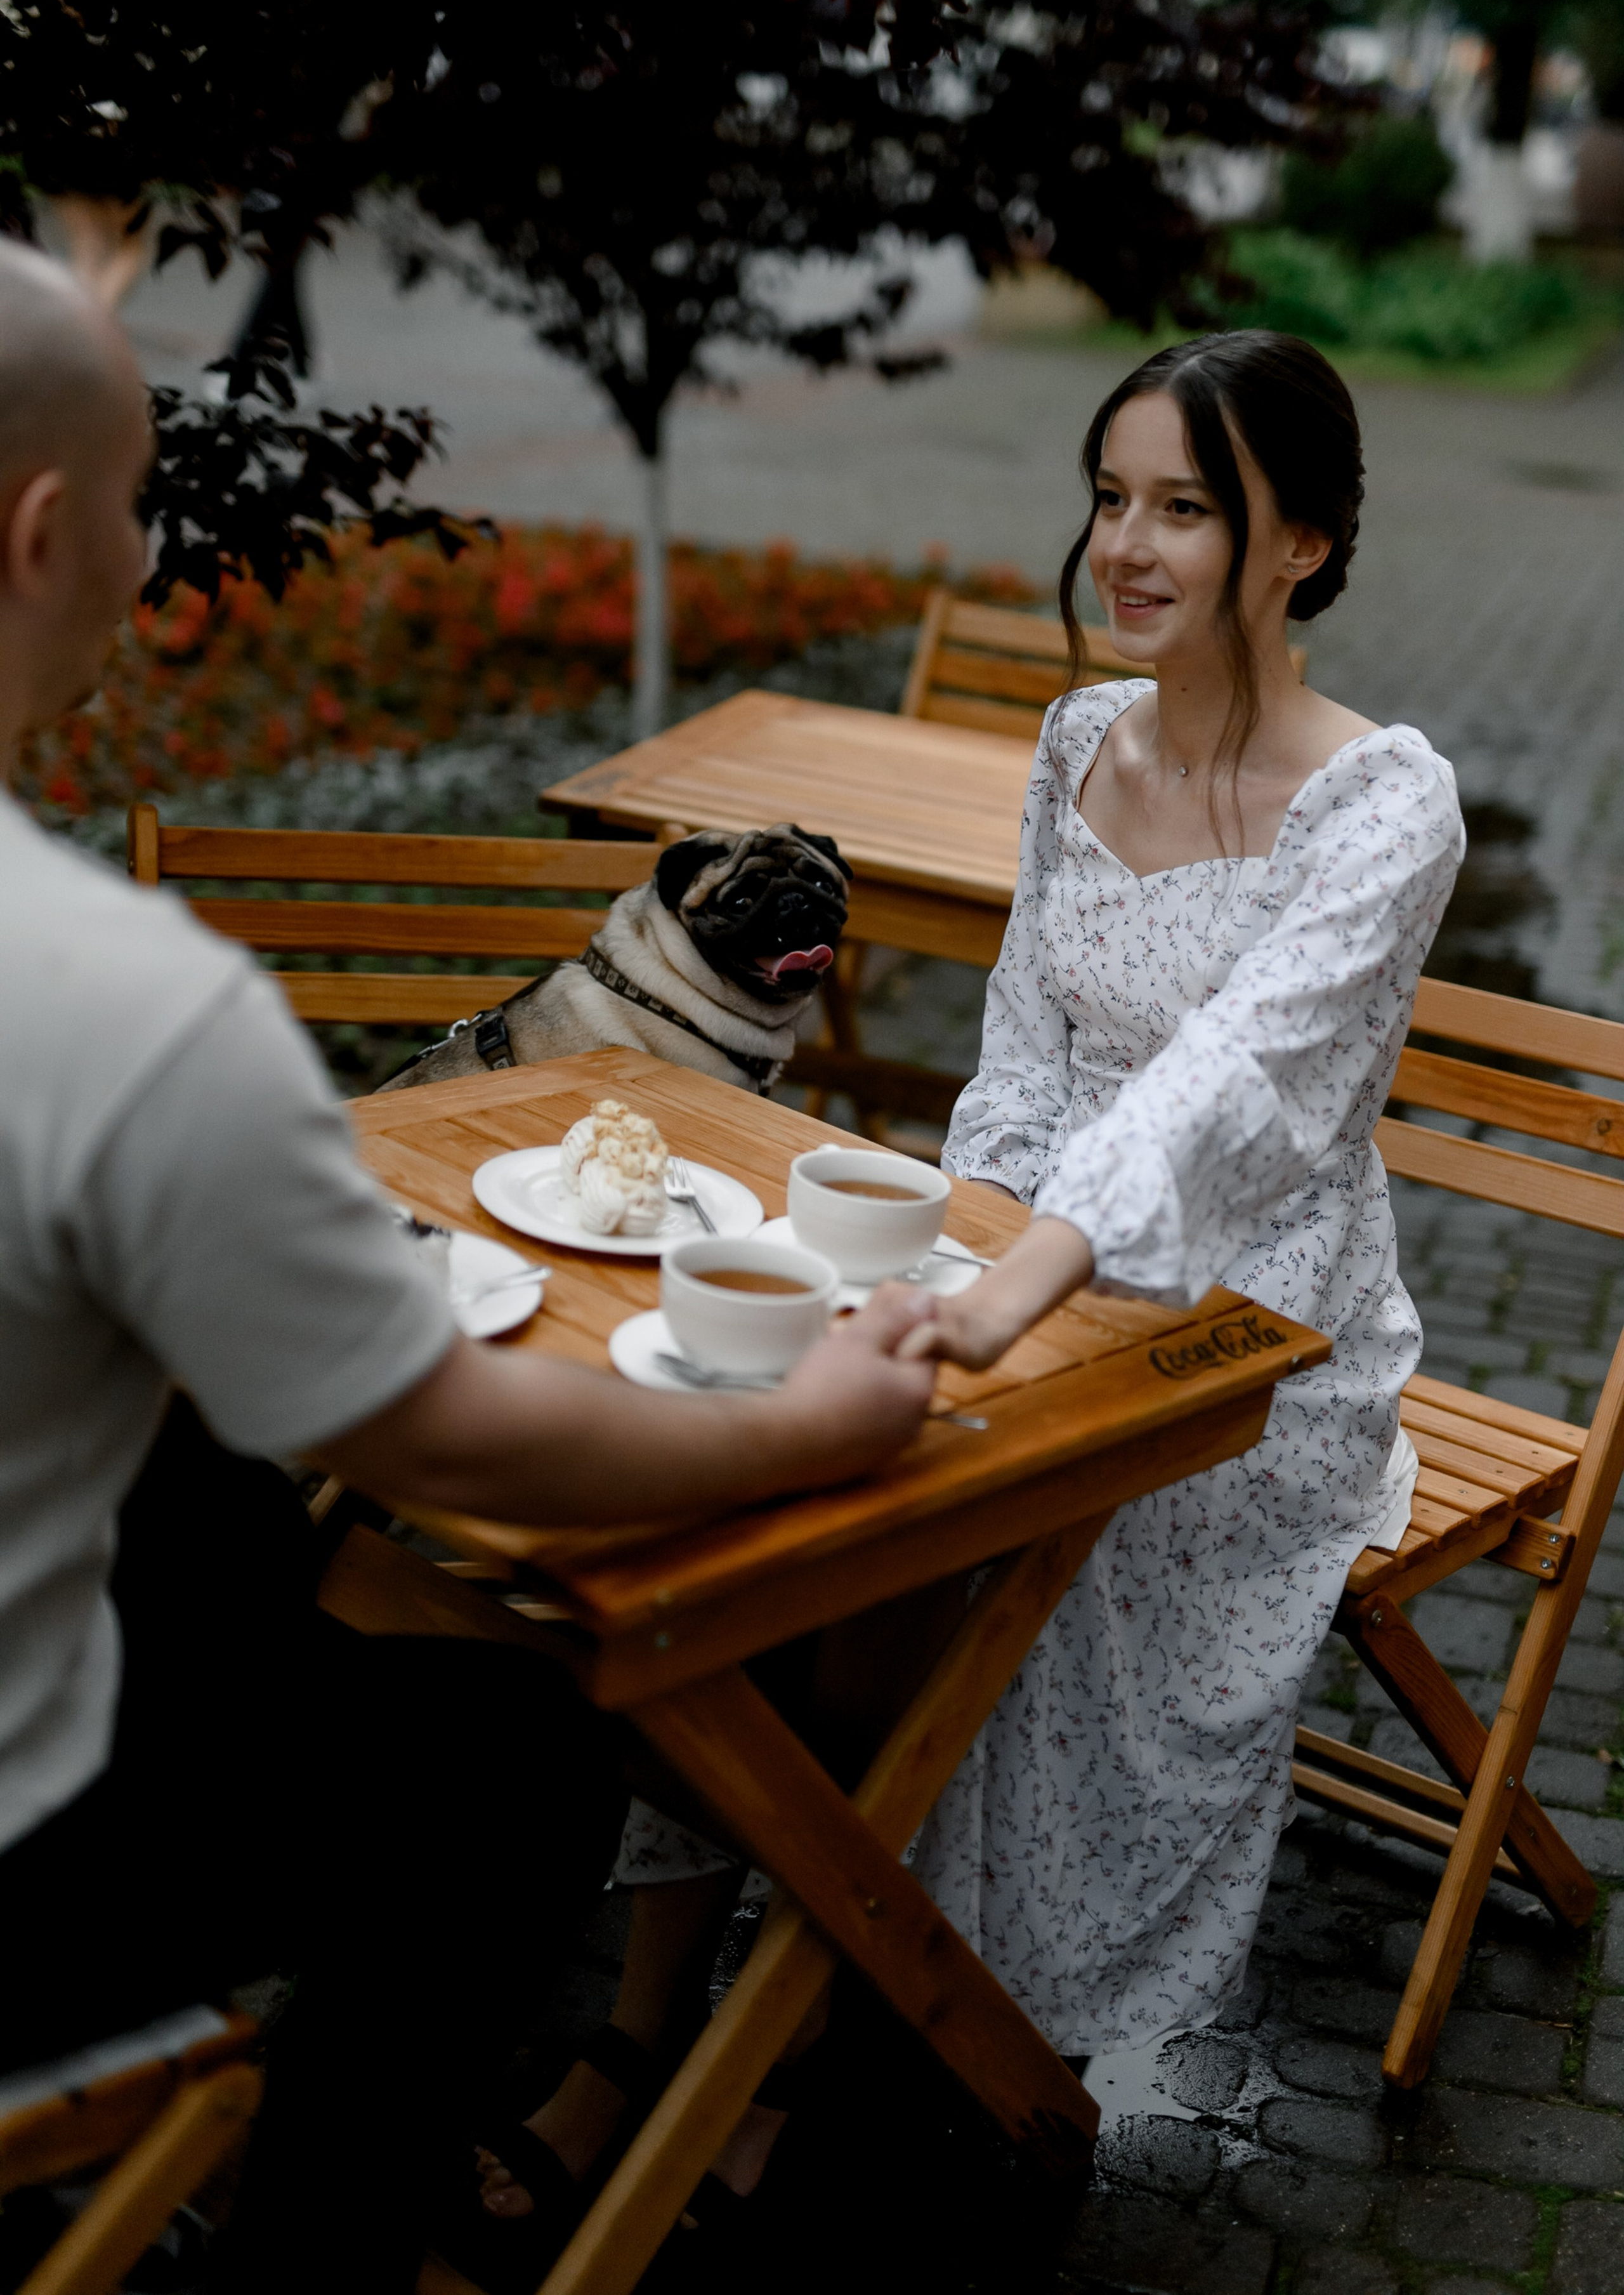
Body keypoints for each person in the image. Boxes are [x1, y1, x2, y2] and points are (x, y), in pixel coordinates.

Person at [0, 237, 937, 2292]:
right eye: (142, 501)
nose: (151, 554)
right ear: (44, 531)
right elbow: (461, 1425)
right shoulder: (114, 1008)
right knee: (508, 1750)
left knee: (238, 1512)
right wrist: (812, 1420)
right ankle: (319, 2247)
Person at [889, 328, 1465, 2060]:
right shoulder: (1078, 740)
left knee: (1054, 1530)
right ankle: (803, 1944)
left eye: (1186, 508)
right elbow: (1017, 1050)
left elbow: (1241, 1086)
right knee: (851, 1492)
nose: (1126, 548)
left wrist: (1025, 1291)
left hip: (1270, 1311)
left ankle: (972, 2005)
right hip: (1045, 1244)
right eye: (1110, 499)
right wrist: (966, 1250)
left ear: (1304, 542)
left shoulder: (1386, 801)